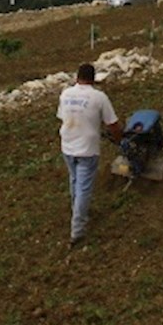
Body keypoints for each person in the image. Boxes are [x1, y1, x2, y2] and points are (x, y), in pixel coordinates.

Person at [57, 63, 118, 248]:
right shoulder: (98, 97)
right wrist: (119, 139)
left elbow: (62, 117)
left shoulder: (66, 94)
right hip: (87, 148)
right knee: (83, 188)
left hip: (67, 145)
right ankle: (78, 230)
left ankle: (77, 211)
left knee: (74, 181)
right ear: (93, 79)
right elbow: (112, 124)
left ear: (77, 77)